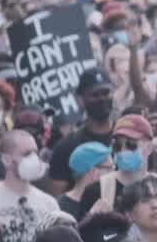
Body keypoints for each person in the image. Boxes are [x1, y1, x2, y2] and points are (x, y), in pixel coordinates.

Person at [0, 130, 61, 242]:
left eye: (36, 152)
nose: (34, 158)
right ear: (6, 160)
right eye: (27, 154)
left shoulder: (49, 203)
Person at [46, 67, 116, 196]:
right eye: (94, 95)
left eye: (106, 93)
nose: (102, 99)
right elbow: (56, 201)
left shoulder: (125, 136)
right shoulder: (66, 147)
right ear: (80, 99)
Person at [59, 141, 113, 217]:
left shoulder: (107, 199)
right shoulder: (62, 210)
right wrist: (89, 218)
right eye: (110, 168)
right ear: (93, 171)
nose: (113, 173)